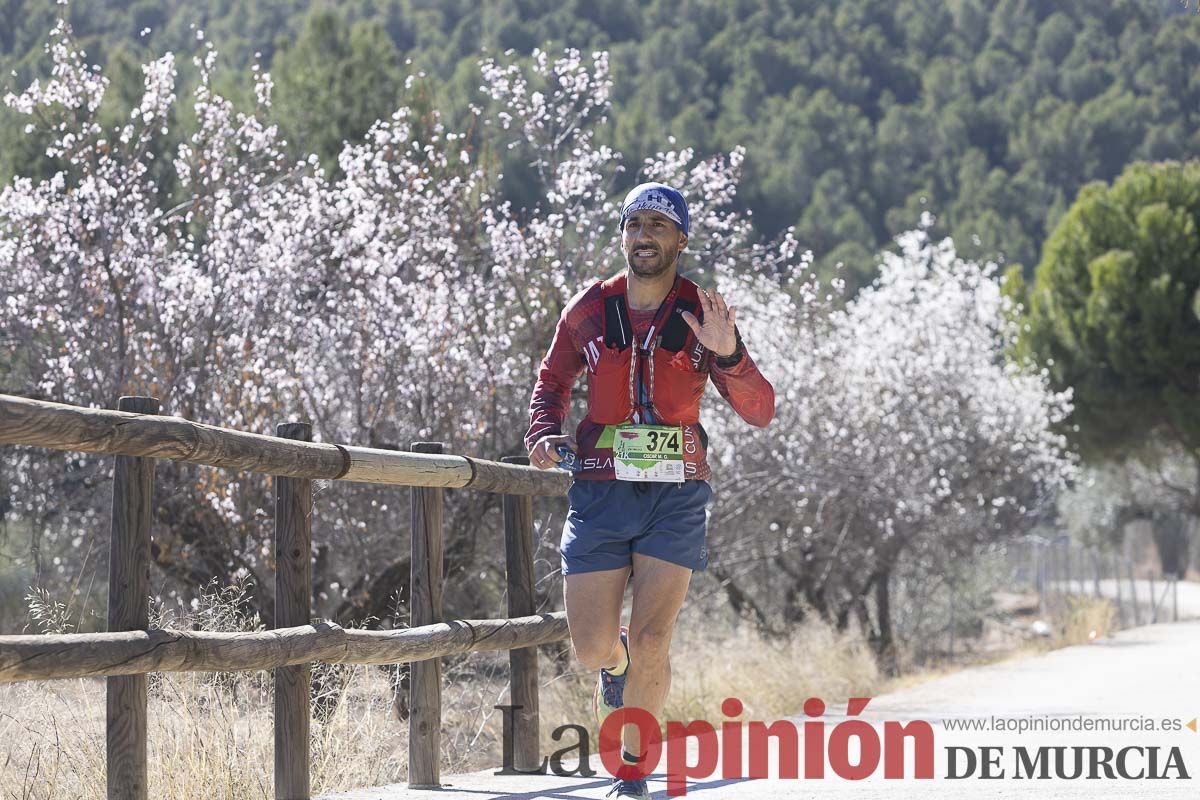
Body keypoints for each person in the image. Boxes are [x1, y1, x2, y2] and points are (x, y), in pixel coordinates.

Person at [525, 181, 775, 799]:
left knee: (655, 635)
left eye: (659, 227)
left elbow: (759, 409)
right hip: (602, 491)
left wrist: (731, 353)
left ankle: (632, 775)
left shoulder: (702, 314)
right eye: (635, 225)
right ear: (623, 235)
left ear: (681, 240)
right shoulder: (589, 308)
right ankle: (615, 667)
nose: (644, 237)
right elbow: (552, 380)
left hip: (676, 493)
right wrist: (542, 431)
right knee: (589, 646)